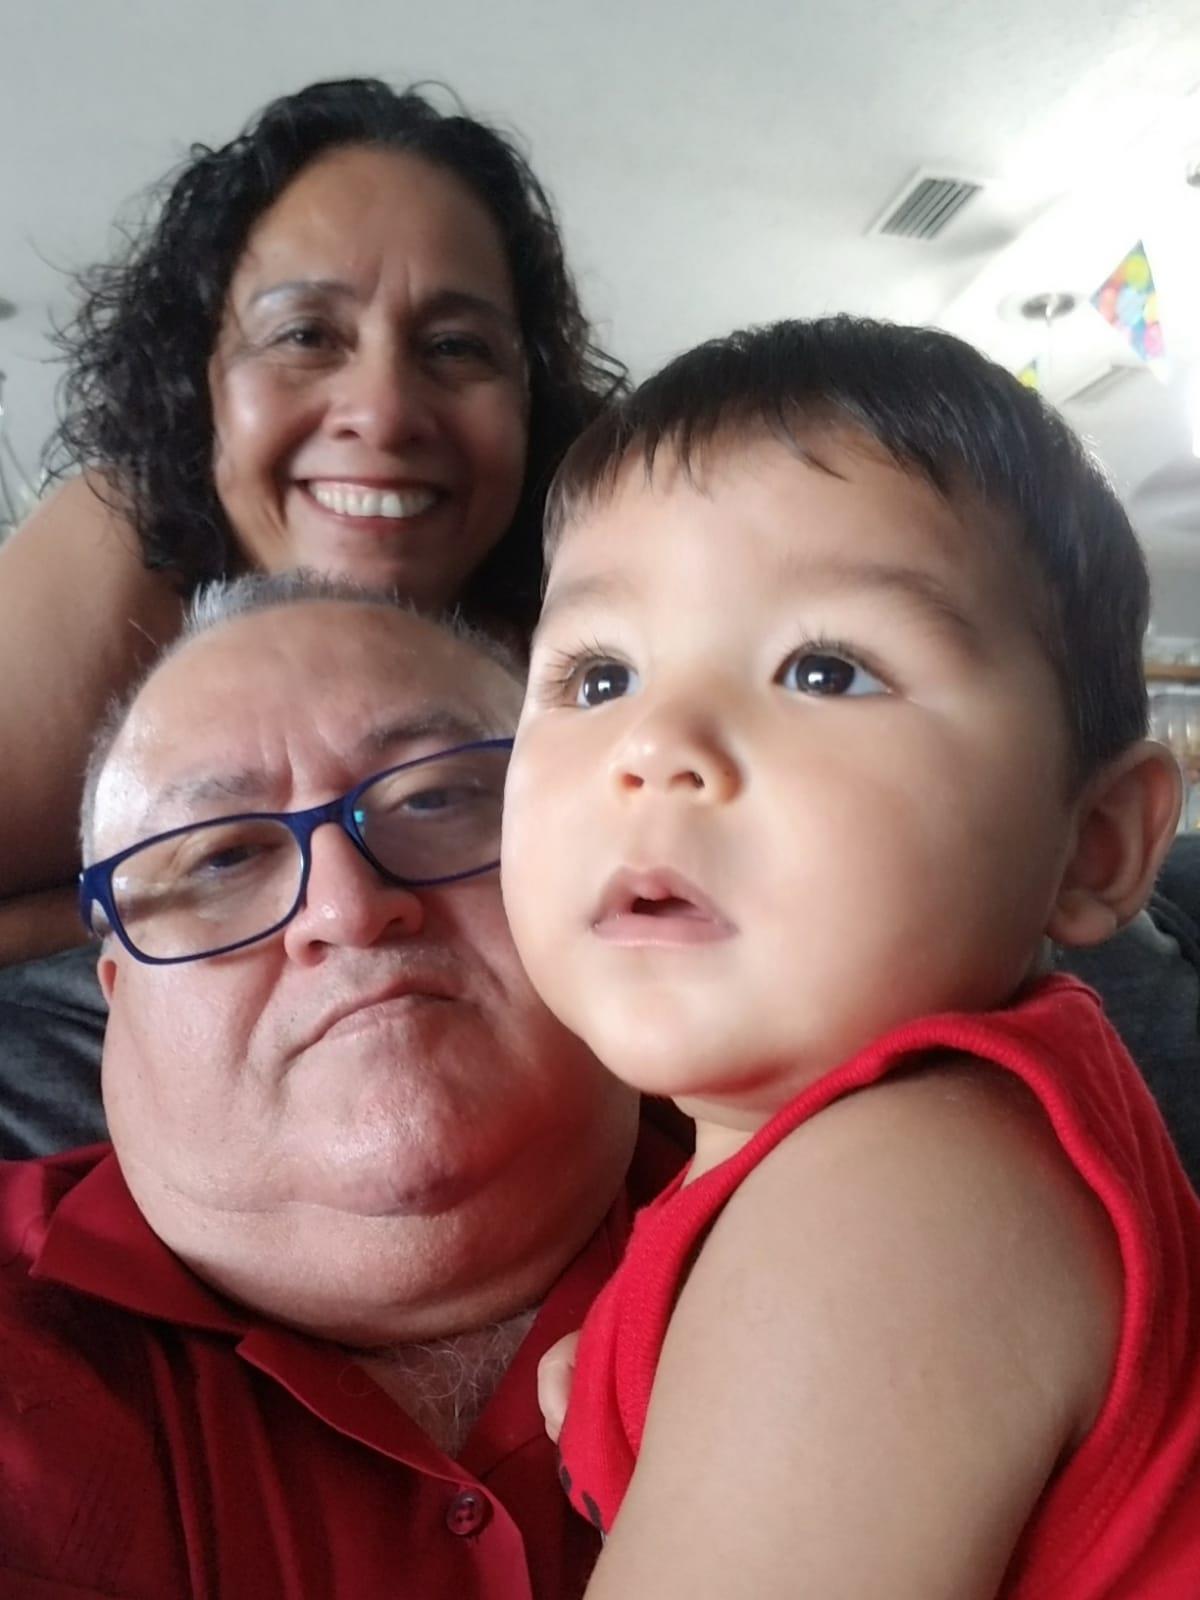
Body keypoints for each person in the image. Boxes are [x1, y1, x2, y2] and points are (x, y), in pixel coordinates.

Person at [500, 317, 1200, 1597]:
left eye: (824, 669)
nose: (655, 746)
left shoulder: (904, 1192)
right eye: (598, 678)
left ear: (1097, 841)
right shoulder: (820, 1184)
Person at [0, 572, 682, 1599]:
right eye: (221, 858)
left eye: (435, 798)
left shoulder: (866, 1210)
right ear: (116, 994)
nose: (348, 908)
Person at [0, 74, 623, 966]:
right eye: (305, 336)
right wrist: (159, 905)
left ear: (532, 396)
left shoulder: (590, 605)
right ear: (201, 380)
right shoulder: (123, 548)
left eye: (455, 346)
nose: (385, 411)